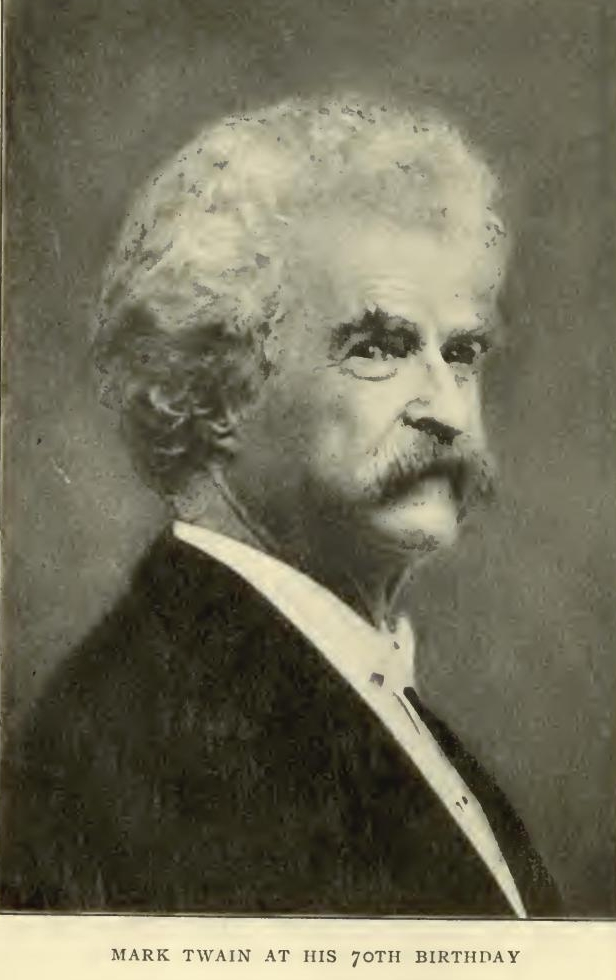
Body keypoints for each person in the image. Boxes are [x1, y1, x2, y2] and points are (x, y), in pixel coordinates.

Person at [1, 95, 560, 916]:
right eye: (380, 348)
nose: (448, 408)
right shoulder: (147, 738)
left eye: (463, 352)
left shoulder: (354, 686)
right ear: (216, 385)